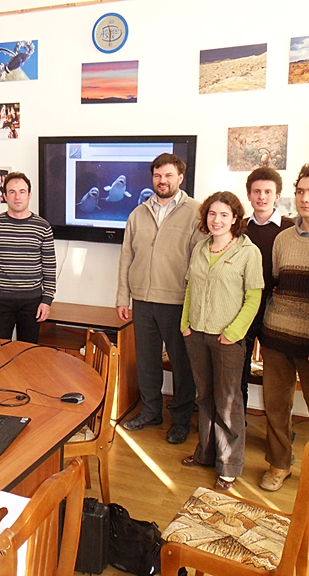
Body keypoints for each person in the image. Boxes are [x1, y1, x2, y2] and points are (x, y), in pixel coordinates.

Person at [257, 164, 309, 491]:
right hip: (276, 337)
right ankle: (279, 464)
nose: (305, 198)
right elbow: (276, 282)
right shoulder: (282, 239)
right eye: (301, 191)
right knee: (276, 408)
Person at [116, 153, 205, 445]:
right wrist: (123, 298)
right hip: (142, 300)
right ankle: (151, 412)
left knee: (182, 365)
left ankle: (180, 420)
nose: (162, 181)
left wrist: (194, 305)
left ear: (180, 178)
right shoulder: (138, 213)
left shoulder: (197, 213)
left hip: (178, 302)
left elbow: (200, 262)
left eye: (168, 175)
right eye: (157, 175)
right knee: (146, 362)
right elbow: (126, 258)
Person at [180, 191, 264, 490]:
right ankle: (205, 453)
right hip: (196, 334)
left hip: (227, 339)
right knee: (204, 396)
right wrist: (185, 324)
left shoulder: (248, 252)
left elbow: (253, 297)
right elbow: (190, 289)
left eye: (224, 215)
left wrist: (234, 333)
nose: (217, 220)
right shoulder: (200, 248)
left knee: (228, 402)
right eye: (212, 213)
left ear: (235, 218)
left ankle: (228, 466)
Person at [0, 171, 56, 343]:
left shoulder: (43, 227)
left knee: (28, 353)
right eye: (12, 192)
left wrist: (47, 300)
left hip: (32, 303)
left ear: (29, 195)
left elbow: (49, 268)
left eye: (22, 191)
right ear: (5, 196)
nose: (17, 197)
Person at [240, 167, 295, 413]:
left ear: (277, 196)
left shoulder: (290, 228)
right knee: (239, 371)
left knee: (278, 377)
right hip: (244, 310)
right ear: (249, 195)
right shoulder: (239, 228)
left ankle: (278, 430)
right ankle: (237, 423)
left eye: (268, 192)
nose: (262, 196)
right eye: (256, 191)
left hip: (276, 312)